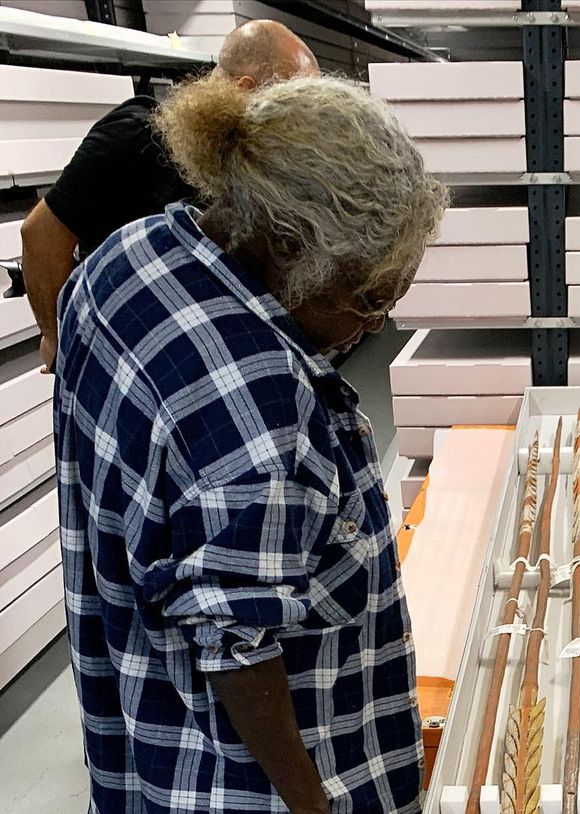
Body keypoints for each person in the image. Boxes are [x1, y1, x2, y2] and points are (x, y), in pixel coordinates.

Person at [54, 74, 447, 813]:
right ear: (287, 242)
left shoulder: (123, 257)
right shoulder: (262, 411)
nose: (376, 325)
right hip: (249, 784)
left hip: (148, 728)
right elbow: (240, 652)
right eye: (366, 298)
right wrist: (311, 803)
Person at [20, 19, 319, 372]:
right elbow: (40, 235)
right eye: (291, 104)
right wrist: (59, 341)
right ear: (245, 90)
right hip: (126, 355)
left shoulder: (239, 163)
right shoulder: (137, 136)